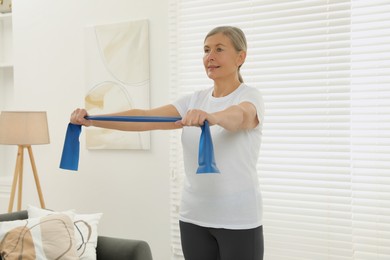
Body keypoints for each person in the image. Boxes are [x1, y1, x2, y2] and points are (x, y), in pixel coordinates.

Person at [71, 26, 264, 260]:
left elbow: (240, 116)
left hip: (238, 220)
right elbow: (144, 118)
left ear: (240, 57)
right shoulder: (194, 100)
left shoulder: (249, 96)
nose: (209, 57)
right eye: (206, 50)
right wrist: (94, 121)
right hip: (194, 217)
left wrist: (214, 117)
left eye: (219, 49)